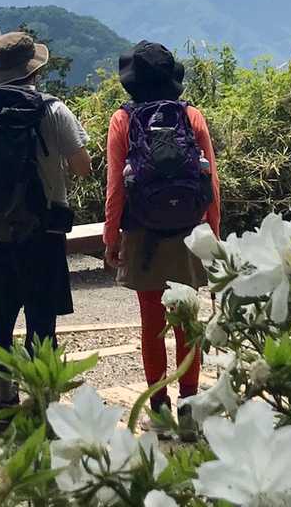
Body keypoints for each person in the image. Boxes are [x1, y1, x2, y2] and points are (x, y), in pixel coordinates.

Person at [0, 32, 91, 429]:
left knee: (0, 318)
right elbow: (82, 166)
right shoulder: (53, 109)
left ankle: (4, 405)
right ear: (34, 70)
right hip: (44, 231)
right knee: (41, 322)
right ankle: (43, 407)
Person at [103, 41, 220, 439]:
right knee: (187, 322)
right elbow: (211, 184)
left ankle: (159, 410)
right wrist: (213, 233)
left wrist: (111, 236)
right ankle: (189, 408)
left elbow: (116, 187)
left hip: (143, 235)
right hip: (189, 233)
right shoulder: (191, 116)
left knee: (152, 323)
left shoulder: (122, 120)